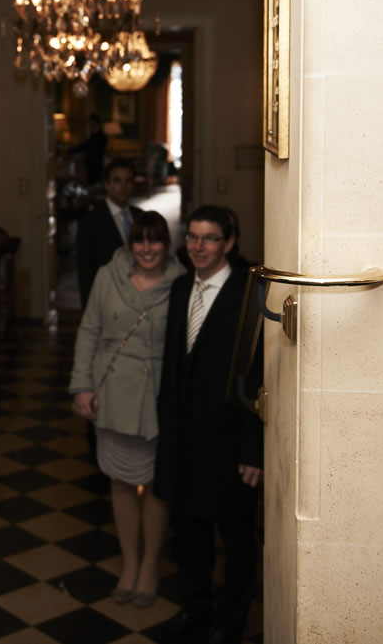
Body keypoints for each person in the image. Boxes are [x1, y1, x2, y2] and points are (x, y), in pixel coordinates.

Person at [155, 205, 263, 644]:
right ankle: (194, 610)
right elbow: (173, 367)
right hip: (183, 438)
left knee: (235, 538)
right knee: (189, 534)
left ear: (229, 242)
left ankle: (230, 622)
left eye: (210, 238)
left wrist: (253, 449)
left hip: (229, 439)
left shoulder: (249, 293)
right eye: (193, 238)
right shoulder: (181, 287)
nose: (198, 247)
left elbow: (258, 375)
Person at [69, 211, 184, 608]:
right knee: (120, 482)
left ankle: (150, 567)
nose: (147, 249)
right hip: (113, 391)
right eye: (140, 240)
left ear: (167, 245)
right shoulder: (108, 275)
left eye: (155, 241)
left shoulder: (182, 282)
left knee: (154, 485)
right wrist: (82, 385)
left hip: (156, 397)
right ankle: (129, 565)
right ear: (130, 244)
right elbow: (89, 331)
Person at [76, 158, 144, 307]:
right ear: (107, 185)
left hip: (139, 297)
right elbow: (86, 270)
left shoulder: (141, 216)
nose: (123, 186)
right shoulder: (91, 220)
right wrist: (88, 307)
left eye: (128, 181)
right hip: (107, 298)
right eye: (117, 180)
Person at [69, 112, 108, 185]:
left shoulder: (99, 136)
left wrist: (70, 150)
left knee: (94, 183)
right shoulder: (95, 135)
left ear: (94, 122)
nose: (89, 124)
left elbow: (85, 146)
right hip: (93, 164)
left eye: (90, 121)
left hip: (95, 164)